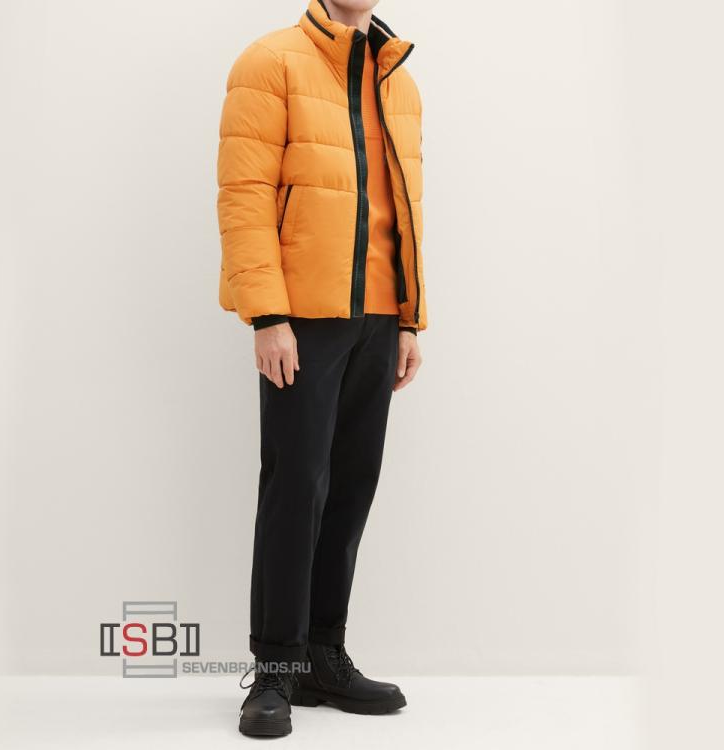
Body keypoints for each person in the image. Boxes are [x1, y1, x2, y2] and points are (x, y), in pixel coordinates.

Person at [216, 0, 427, 737]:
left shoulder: (398, 76)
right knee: (295, 486)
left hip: (378, 318)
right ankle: (275, 668)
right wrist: (266, 315)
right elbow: (243, 195)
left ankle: (322, 657)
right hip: (302, 317)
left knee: (351, 487)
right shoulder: (269, 61)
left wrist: (407, 318)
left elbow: (406, 205)